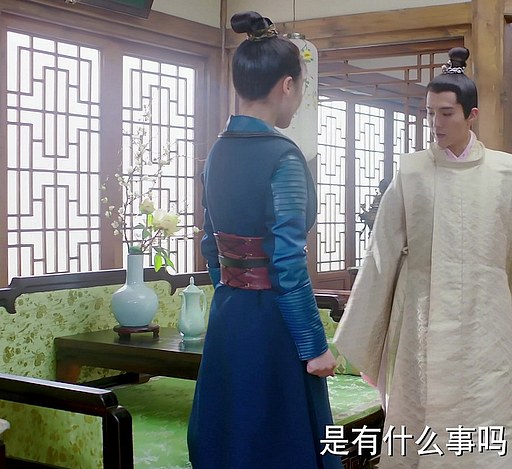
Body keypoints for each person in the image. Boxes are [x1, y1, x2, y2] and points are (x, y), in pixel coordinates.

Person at [333, 47, 512, 468]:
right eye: (430, 113)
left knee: (489, 407)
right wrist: (366, 326)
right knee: (422, 411)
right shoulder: (411, 171)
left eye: (447, 113)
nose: (436, 123)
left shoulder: (503, 172)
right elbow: (382, 252)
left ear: (472, 115)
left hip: (488, 320)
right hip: (423, 318)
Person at [188, 11, 341, 469]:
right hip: (275, 324)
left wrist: (230, 289)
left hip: (229, 315)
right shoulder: (284, 158)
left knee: (232, 435)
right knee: (283, 443)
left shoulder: (217, 152)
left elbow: (210, 245)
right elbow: (288, 262)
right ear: (287, 86)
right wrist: (314, 345)